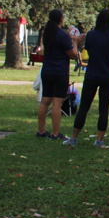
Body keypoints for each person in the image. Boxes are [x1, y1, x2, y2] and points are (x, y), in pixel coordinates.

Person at [65, 9, 109, 148]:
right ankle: (99, 140)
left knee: (84, 106)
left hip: (92, 74)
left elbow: (89, 50)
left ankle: (74, 137)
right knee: (104, 108)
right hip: (108, 75)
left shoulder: (91, 35)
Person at [37, 9, 79, 141]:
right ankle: (55, 133)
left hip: (47, 70)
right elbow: (72, 54)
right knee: (57, 103)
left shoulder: (47, 33)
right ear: (61, 19)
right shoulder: (62, 35)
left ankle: (41, 130)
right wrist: (76, 42)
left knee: (45, 101)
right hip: (60, 71)